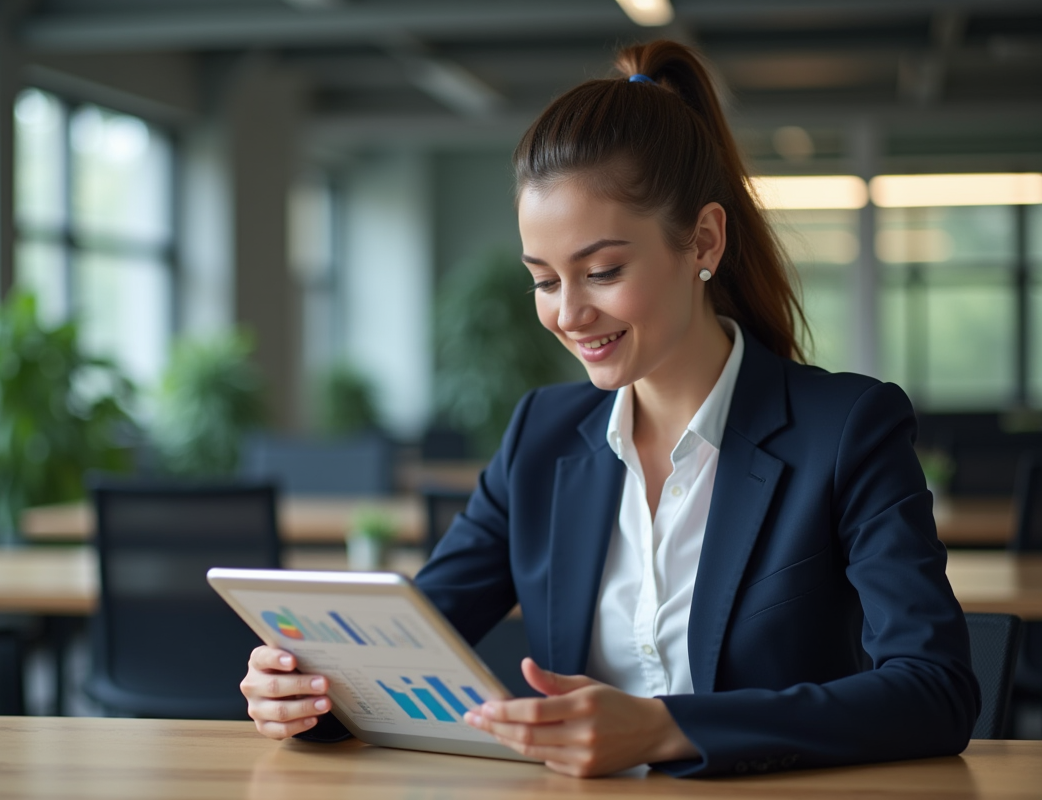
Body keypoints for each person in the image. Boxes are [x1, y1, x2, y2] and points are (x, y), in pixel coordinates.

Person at [240, 40, 979, 778]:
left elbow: (934, 691)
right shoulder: (541, 435)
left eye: (602, 272)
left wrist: (667, 730)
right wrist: (311, 695)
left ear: (704, 241)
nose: (568, 313)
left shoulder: (846, 428)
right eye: (543, 280)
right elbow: (406, 650)